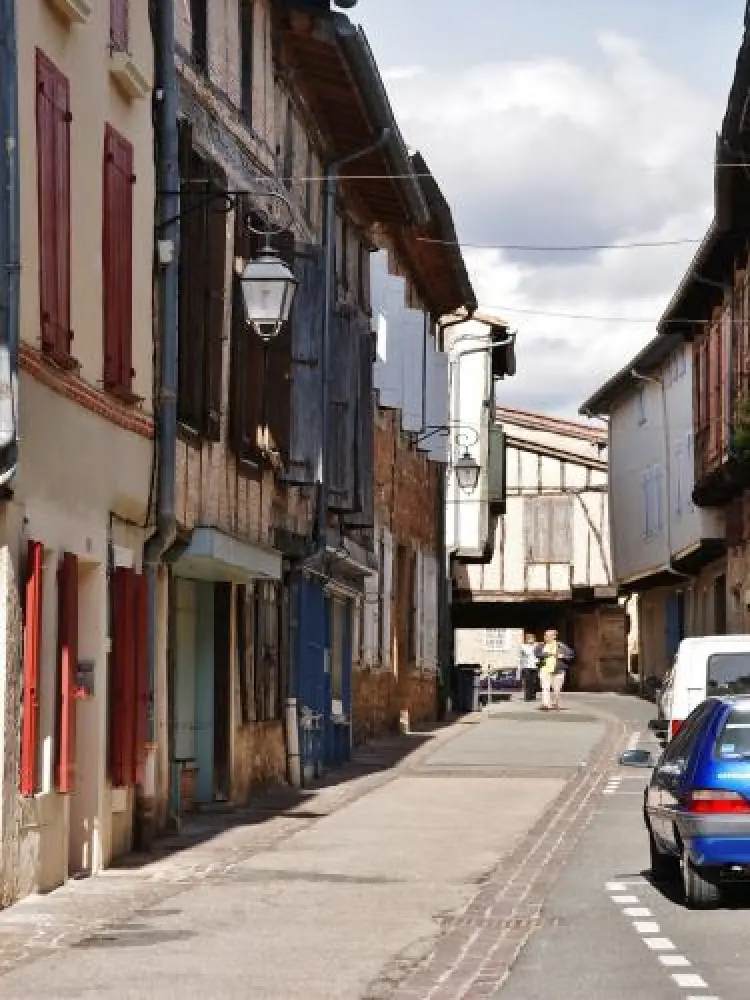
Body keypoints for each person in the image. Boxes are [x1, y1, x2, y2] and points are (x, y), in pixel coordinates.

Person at [534, 628, 574, 711]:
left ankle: (556, 703)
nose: (546, 637)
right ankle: (546, 705)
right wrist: (547, 654)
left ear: (554, 636)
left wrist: (562, 656)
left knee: (557, 689)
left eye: (549, 635)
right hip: (545, 670)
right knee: (545, 688)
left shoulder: (561, 645)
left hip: (558, 671)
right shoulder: (541, 645)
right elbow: (537, 654)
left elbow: (571, 655)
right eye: (545, 635)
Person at [519, 633, 538, 701]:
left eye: (532, 638)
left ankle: (533, 696)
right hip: (526, 666)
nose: (531, 640)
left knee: (534, 682)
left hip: (535, 666)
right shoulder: (523, 646)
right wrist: (520, 667)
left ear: (534, 639)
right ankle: (527, 697)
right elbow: (520, 657)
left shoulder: (537, 645)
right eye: (529, 638)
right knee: (527, 682)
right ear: (526, 639)